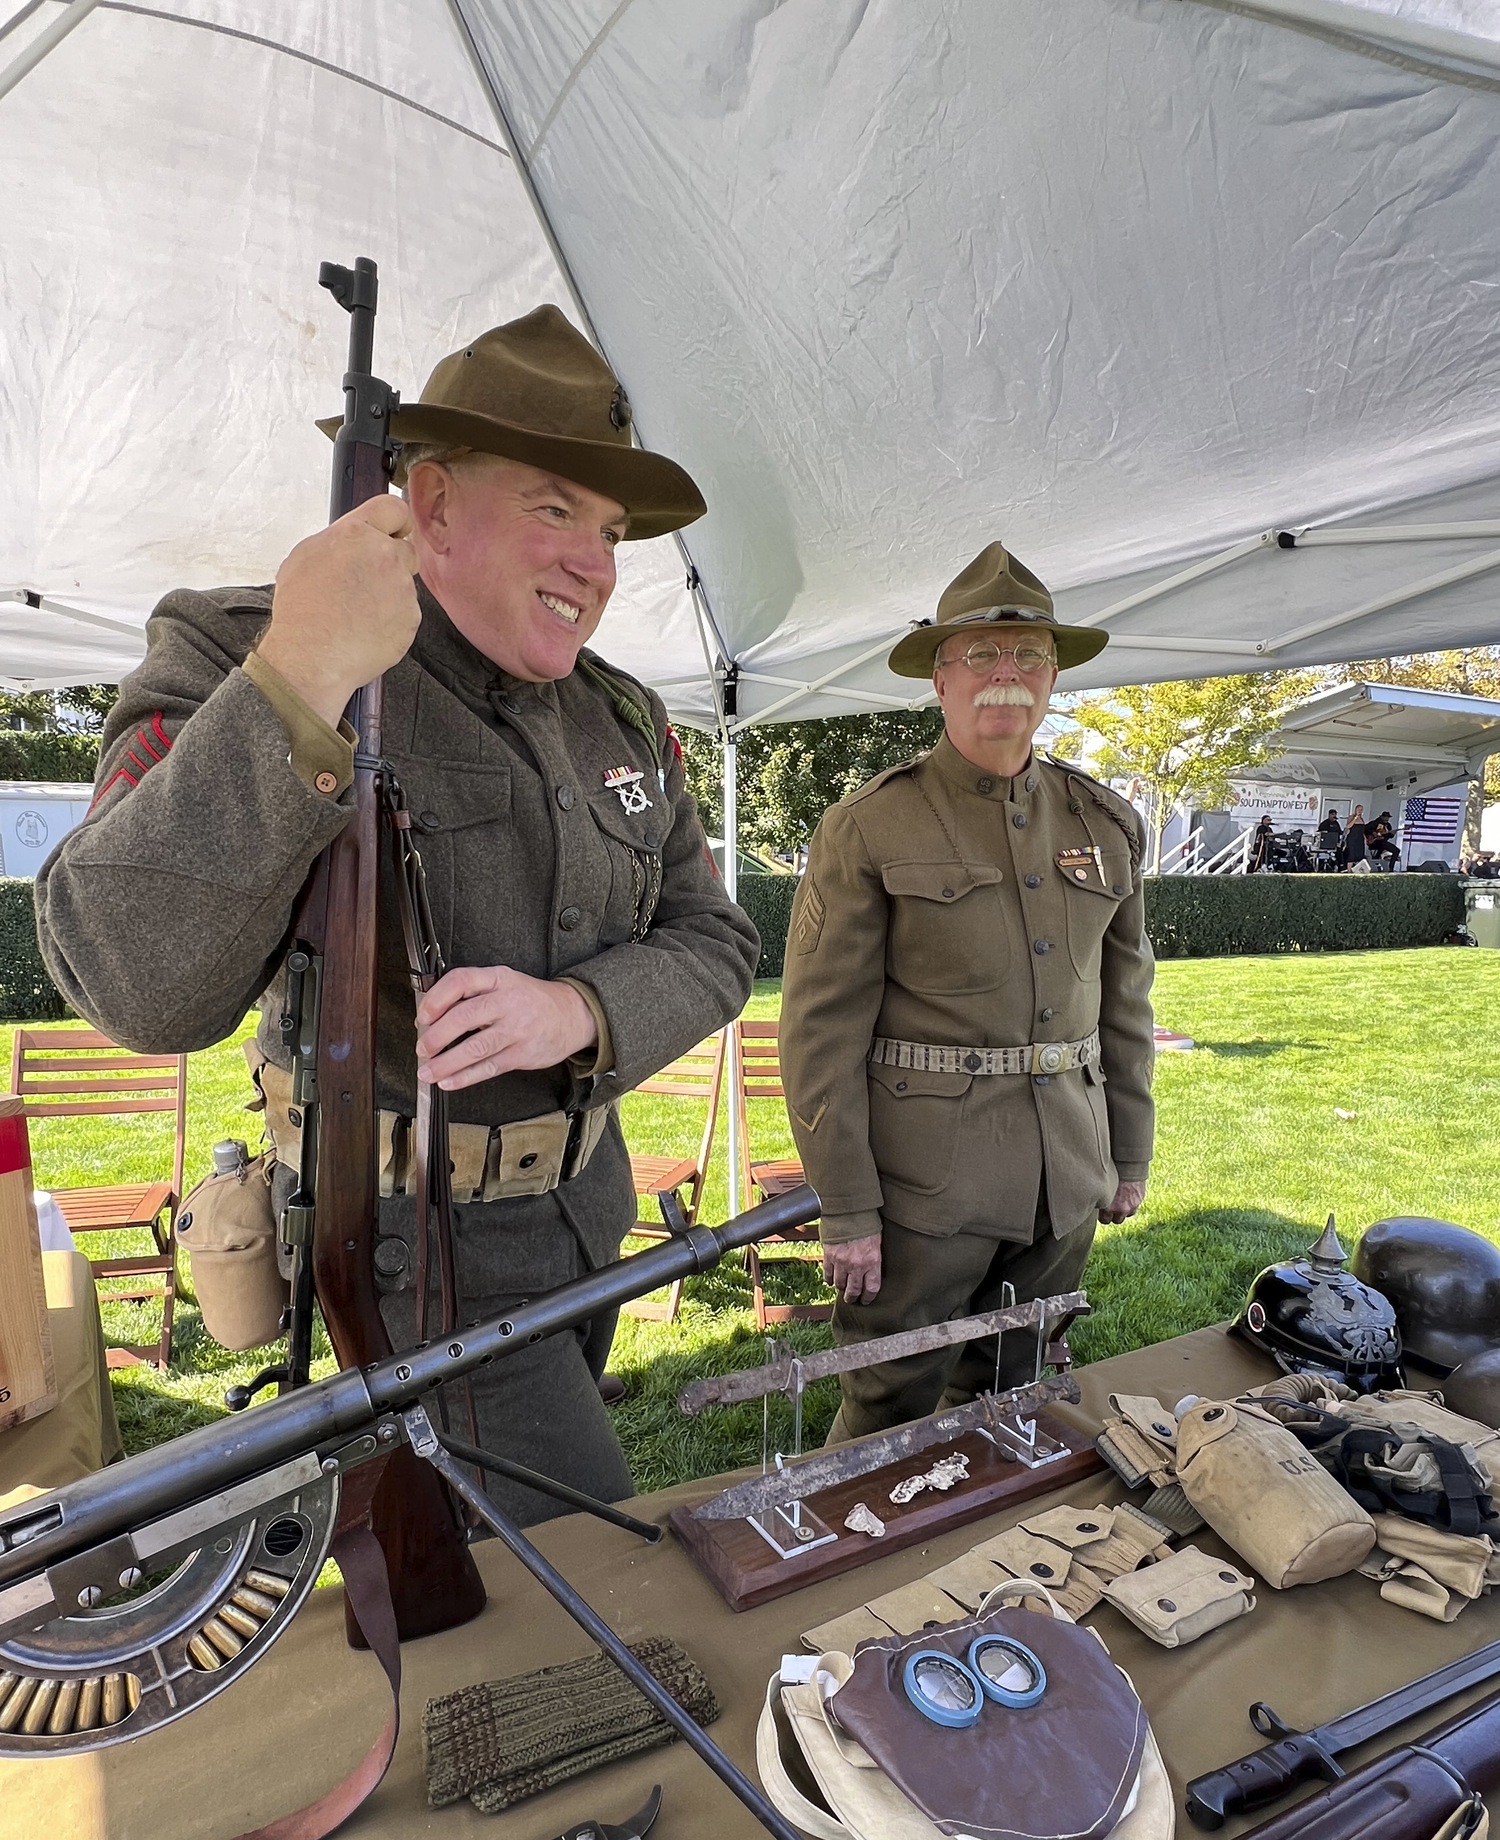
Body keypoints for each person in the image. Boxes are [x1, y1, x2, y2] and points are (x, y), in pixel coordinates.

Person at [35, 306, 760, 1523]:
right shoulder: (245, 650)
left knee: (465, 1616)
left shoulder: (622, 719)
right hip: (402, 1252)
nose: (597, 562)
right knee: (584, 1580)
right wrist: (299, 678)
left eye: (611, 530)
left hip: (584, 1222)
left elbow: (718, 941)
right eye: (554, 508)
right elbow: (125, 978)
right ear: (427, 505)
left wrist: (580, 1009)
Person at [779, 543, 1155, 1441]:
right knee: (888, 1403)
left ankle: (982, 1565)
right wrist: (848, 1206)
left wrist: (1127, 1156)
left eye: (1028, 655)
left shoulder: (1104, 823)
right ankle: (851, 1568)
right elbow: (820, 1032)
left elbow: (1125, 1002)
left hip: (1063, 1174)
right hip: (923, 1191)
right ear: (940, 678)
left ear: (1053, 676)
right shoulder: (869, 824)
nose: (1006, 673)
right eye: (981, 654)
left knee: (1016, 1391)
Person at [1342, 805, 1368, 870]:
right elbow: (1348, 826)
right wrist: (1355, 819)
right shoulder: (1351, 817)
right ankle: (1349, 870)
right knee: (1351, 855)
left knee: (1360, 855)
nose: (1360, 811)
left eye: (1361, 810)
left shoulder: (1362, 819)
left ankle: (1358, 870)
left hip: (1360, 839)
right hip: (1352, 839)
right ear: (1355, 810)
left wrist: (1365, 838)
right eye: (1358, 810)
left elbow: (1362, 830)